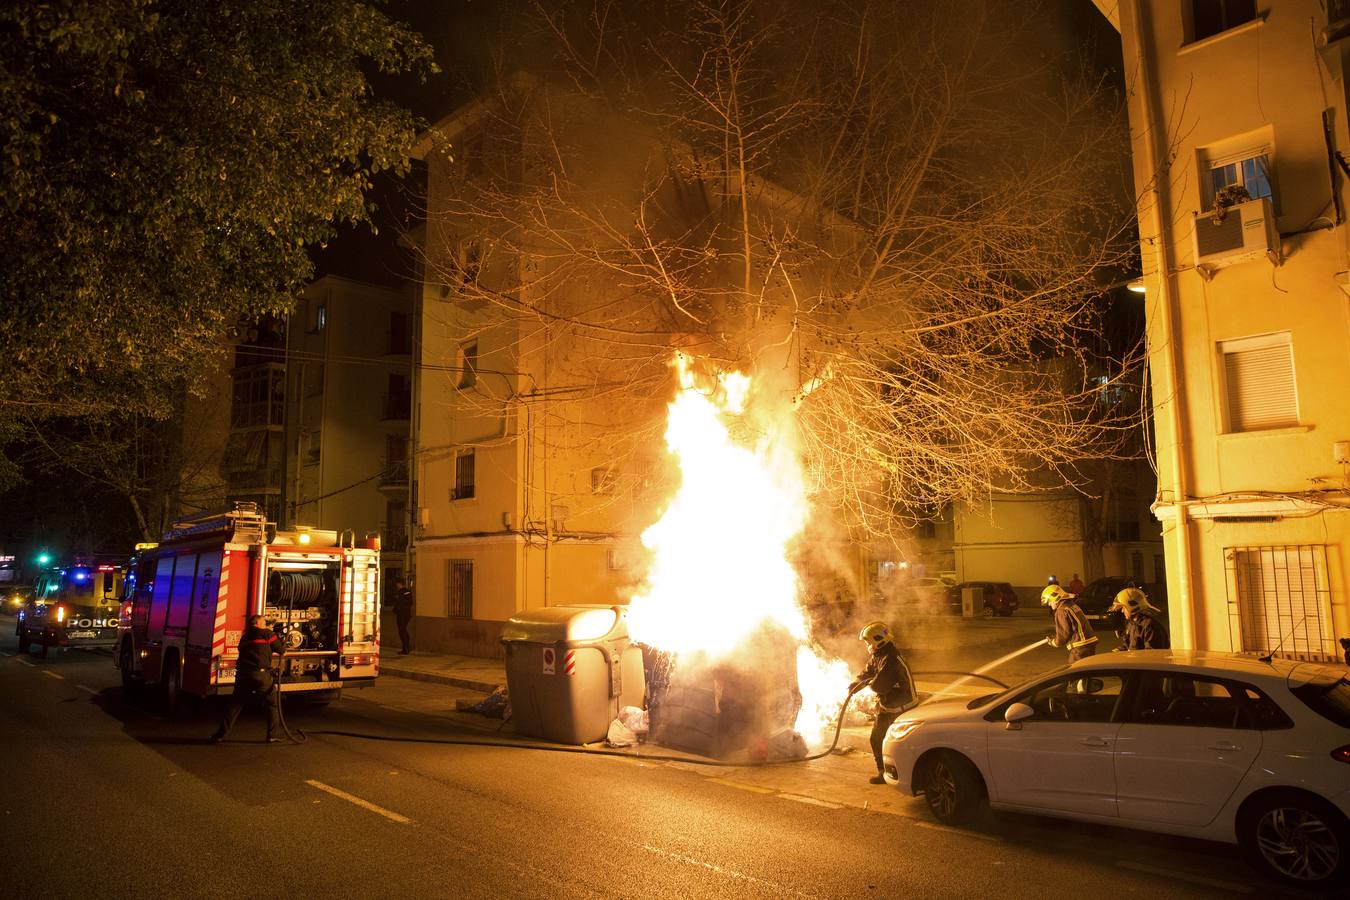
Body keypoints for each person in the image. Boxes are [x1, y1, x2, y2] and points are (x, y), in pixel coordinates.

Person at [849, 621, 916, 785]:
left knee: (897, 743)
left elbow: (879, 685)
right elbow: (868, 672)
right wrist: (855, 684)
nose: (867, 645)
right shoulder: (879, 654)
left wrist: (866, 684)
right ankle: (883, 772)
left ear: (877, 640)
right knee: (876, 738)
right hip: (888, 706)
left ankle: (904, 773)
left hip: (901, 708)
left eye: (867, 642)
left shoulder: (890, 659)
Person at [209, 615, 284, 743]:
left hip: (243, 675)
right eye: (264, 622)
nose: (266, 624)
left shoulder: (244, 638)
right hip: (260, 676)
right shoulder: (267, 633)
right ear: (257, 623)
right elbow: (281, 650)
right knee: (272, 704)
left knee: (235, 705)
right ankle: (273, 735)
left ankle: (220, 735)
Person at [1041, 584, 1098, 662]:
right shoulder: (1071, 605)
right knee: (1086, 670)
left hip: (1080, 646)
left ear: (1056, 598)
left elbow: (1064, 634)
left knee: (1075, 670)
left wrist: (1055, 642)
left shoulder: (1061, 610)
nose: (1049, 604)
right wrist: (1055, 637)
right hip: (1088, 642)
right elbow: (1071, 628)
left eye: (1050, 601)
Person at [391, 577, 414, 655]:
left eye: (397, 584)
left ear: (399, 584)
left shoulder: (402, 592)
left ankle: (406, 647)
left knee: (402, 630)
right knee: (403, 630)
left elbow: (400, 603)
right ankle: (406, 647)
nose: (396, 585)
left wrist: (396, 609)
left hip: (402, 614)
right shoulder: (407, 592)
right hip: (405, 614)